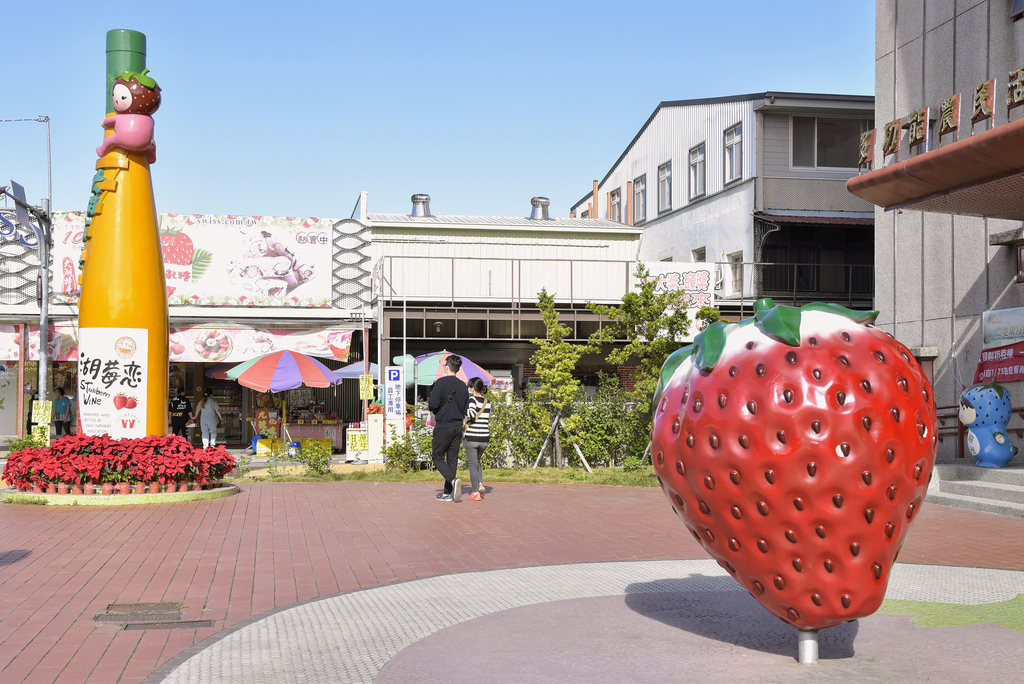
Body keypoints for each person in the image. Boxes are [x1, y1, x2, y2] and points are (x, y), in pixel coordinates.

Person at [428, 355, 469, 501]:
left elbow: (432, 404)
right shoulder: (463, 385)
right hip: (458, 426)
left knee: (437, 456)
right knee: (452, 459)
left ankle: (453, 480)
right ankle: (447, 493)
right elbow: (466, 408)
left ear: (447, 367)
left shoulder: (440, 383)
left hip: (443, 425)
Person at [463, 377, 491, 502]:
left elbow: (470, 415)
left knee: (473, 466)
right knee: (477, 463)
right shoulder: (487, 401)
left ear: (473, 388)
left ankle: (475, 492)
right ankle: (480, 484)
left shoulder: (472, 400)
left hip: (472, 437)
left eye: (470, 387)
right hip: (484, 438)